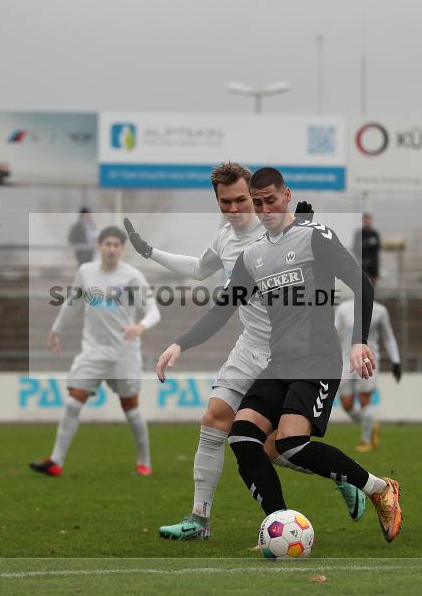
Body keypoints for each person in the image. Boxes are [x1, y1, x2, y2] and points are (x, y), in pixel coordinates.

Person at [156, 167, 403, 543]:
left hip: (317, 358)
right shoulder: (253, 256)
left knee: (289, 443)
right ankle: (279, 526)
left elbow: (359, 281)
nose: (264, 208)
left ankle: (378, 487)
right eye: (258, 202)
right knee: (242, 438)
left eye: (270, 199)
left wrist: (359, 340)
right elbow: (222, 308)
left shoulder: (315, 237)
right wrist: (179, 344)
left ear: (286, 195)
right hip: (278, 362)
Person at [30, 226, 160, 477]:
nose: (111, 249)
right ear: (99, 246)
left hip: (124, 354)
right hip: (92, 351)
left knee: (131, 408)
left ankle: (144, 463)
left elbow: (154, 310)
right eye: (107, 244)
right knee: (72, 403)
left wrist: (139, 326)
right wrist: (56, 330)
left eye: (116, 245)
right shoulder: (86, 272)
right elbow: (72, 303)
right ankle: (56, 461)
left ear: (122, 249)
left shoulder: (132, 276)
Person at [335, 291, 401, 452]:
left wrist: (396, 360)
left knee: (365, 399)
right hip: (346, 361)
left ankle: (366, 441)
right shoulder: (343, 308)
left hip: (368, 360)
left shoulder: (379, 310)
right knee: (347, 404)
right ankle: (372, 425)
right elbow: (334, 334)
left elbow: (389, 337)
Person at [352, 213, 380, 282]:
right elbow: (355, 248)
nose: (367, 221)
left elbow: (376, 248)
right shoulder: (359, 233)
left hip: (372, 263)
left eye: (368, 219)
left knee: (372, 283)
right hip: (362, 262)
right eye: (365, 219)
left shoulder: (374, 233)